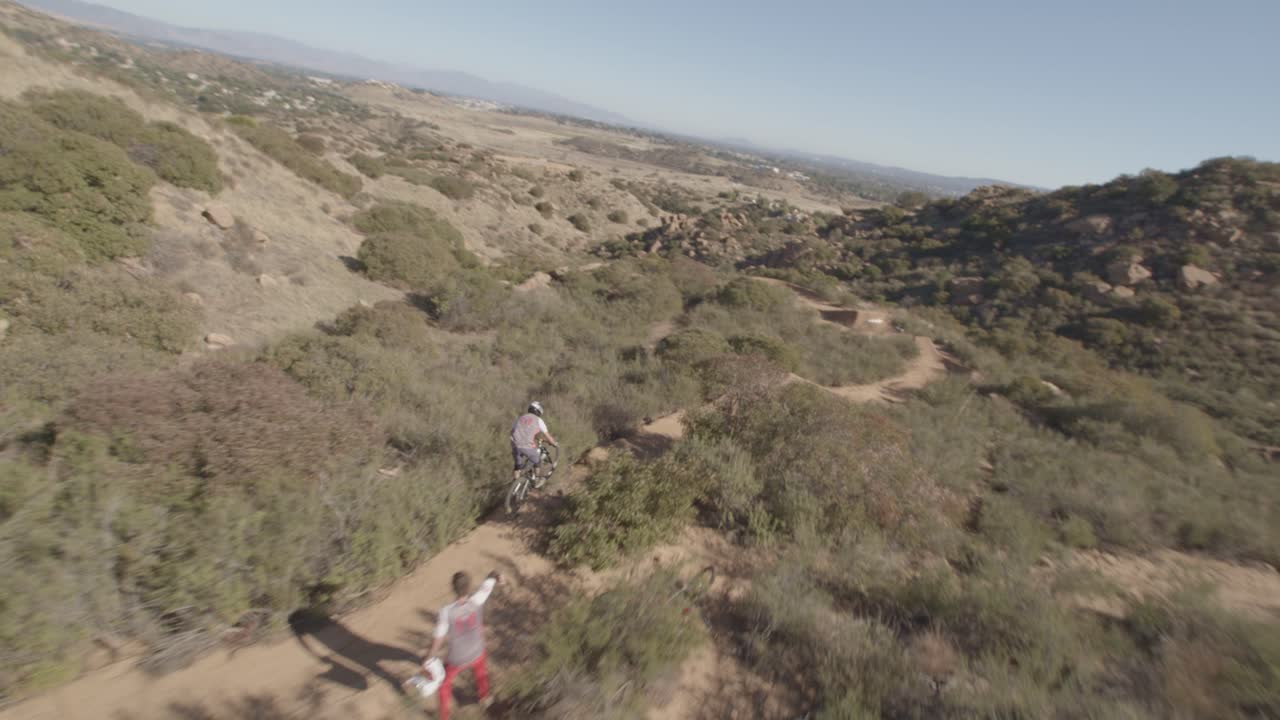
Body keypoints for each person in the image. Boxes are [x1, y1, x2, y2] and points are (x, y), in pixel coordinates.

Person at [422, 570, 500, 720]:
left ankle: (444, 717)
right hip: (477, 651)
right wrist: (497, 576)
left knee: (444, 684)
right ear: (469, 587)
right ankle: (485, 698)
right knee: (481, 672)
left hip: (456, 659)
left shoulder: (446, 612)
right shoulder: (477, 599)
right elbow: (490, 580)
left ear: (453, 588)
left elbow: (438, 638)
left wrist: (428, 658)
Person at [511, 401, 558, 489]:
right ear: (539, 412)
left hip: (515, 445)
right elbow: (548, 436)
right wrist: (554, 443)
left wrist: (534, 437)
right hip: (527, 446)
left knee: (517, 466)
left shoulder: (520, 418)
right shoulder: (539, 420)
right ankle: (536, 481)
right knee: (537, 461)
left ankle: (515, 486)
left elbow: (514, 431)